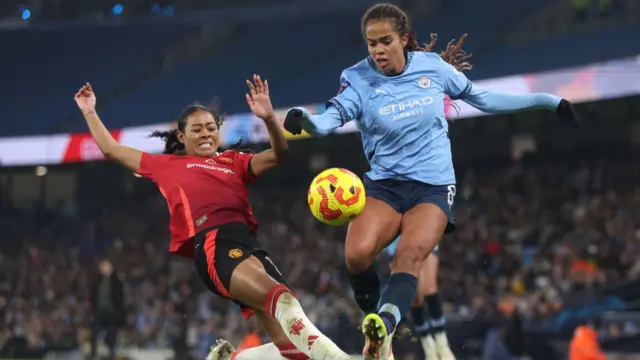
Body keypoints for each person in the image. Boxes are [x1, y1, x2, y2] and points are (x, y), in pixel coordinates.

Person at [283, 3, 581, 359]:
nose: (377, 50)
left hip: (433, 187)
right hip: (385, 186)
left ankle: (386, 325)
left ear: (404, 39)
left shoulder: (433, 69)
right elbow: (333, 117)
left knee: (409, 257)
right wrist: (308, 121)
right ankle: (373, 325)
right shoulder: (357, 78)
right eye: (370, 43)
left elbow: (482, 98)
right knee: (356, 256)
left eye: (385, 41)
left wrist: (549, 101)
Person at [73, 76, 351, 360]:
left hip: (252, 248)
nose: (206, 134)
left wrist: (269, 119)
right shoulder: (166, 166)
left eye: (210, 127)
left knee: (291, 347)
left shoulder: (234, 160)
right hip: (215, 246)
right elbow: (111, 150)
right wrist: (90, 112)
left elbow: (280, 156)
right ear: (182, 137)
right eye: (197, 130)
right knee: (283, 300)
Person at [385, 239, 454, 360]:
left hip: (424, 234)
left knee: (430, 288)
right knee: (416, 297)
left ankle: (442, 342)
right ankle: (427, 341)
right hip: (398, 242)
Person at [90, 260, 124, 360]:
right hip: (99, 309)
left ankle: (111, 351)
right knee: (94, 331)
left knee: (112, 331)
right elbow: (93, 296)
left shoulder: (115, 281)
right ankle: (93, 353)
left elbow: (119, 296)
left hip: (111, 309)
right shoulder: (97, 281)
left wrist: (117, 309)